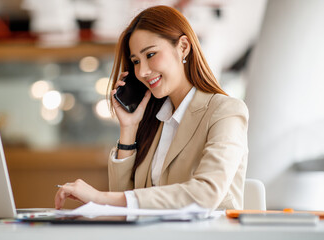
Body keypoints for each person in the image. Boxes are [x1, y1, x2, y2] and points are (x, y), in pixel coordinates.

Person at [55, 5, 248, 210]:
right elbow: (124, 205)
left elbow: (207, 193)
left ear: (183, 47)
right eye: (136, 61)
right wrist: (128, 128)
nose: (142, 71)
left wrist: (100, 197)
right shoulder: (156, 121)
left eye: (150, 55)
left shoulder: (226, 111)